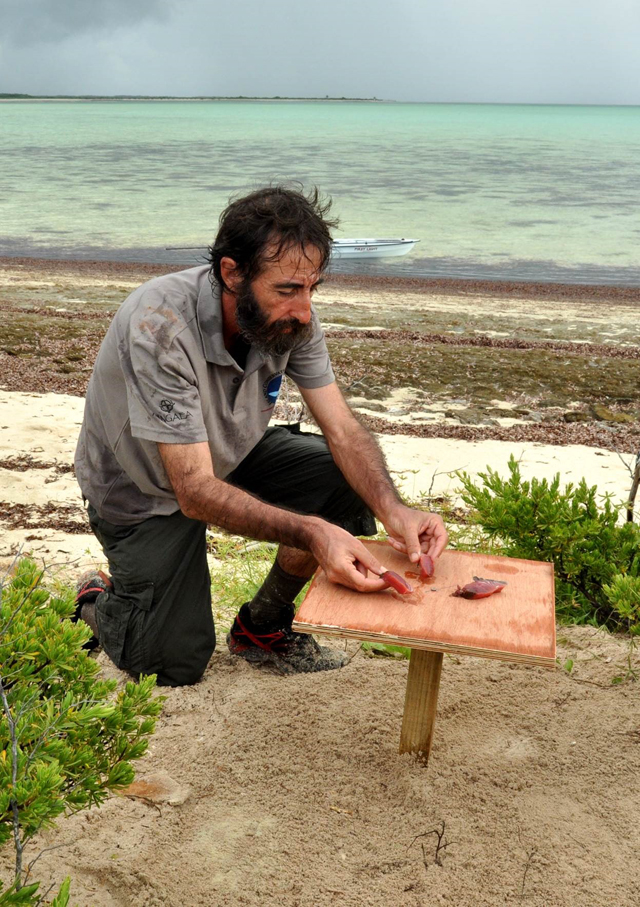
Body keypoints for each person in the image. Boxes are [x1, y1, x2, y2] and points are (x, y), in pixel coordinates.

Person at [74, 186, 448, 686]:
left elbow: (342, 428)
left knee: (345, 479)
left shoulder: (291, 321)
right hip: (142, 490)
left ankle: (262, 626)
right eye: (288, 289)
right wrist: (312, 532)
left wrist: (393, 509)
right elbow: (193, 490)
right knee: (171, 663)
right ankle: (96, 600)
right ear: (232, 273)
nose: (305, 310)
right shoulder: (159, 326)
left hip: (228, 452)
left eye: (312, 288)